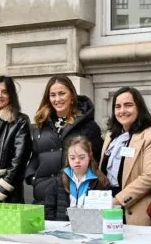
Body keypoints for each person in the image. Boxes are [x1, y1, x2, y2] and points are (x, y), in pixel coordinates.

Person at [26, 76, 103, 205]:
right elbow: (35, 156)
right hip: (44, 197)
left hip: (75, 198)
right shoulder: (41, 125)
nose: (57, 99)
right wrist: (33, 178)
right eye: (53, 95)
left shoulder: (88, 126)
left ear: (71, 95)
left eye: (62, 93)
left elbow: (96, 161)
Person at [100, 87, 151, 226]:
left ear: (139, 108)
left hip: (133, 207)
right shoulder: (111, 136)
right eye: (117, 107)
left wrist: (118, 200)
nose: (122, 111)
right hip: (108, 205)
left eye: (128, 105)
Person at [45, 136, 110, 221]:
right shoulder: (58, 181)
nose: (77, 161)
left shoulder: (101, 182)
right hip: (62, 230)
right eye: (72, 158)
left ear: (90, 156)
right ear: (67, 158)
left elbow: (105, 213)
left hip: (90, 230)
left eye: (82, 157)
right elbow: (49, 211)